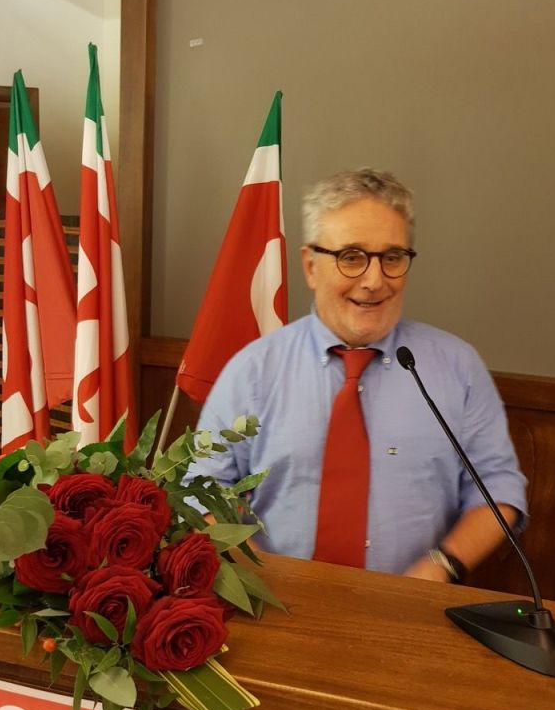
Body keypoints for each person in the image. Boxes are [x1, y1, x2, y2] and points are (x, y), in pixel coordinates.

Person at [192, 168, 527, 583]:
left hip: (413, 603)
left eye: (392, 258)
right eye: (351, 257)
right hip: (273, 599)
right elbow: (201, 491)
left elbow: (499, 488)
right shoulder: (252, 371)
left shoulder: (459, 367)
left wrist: (443, 566)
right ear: (310, 266)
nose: (373, 281)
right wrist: (261, 576)